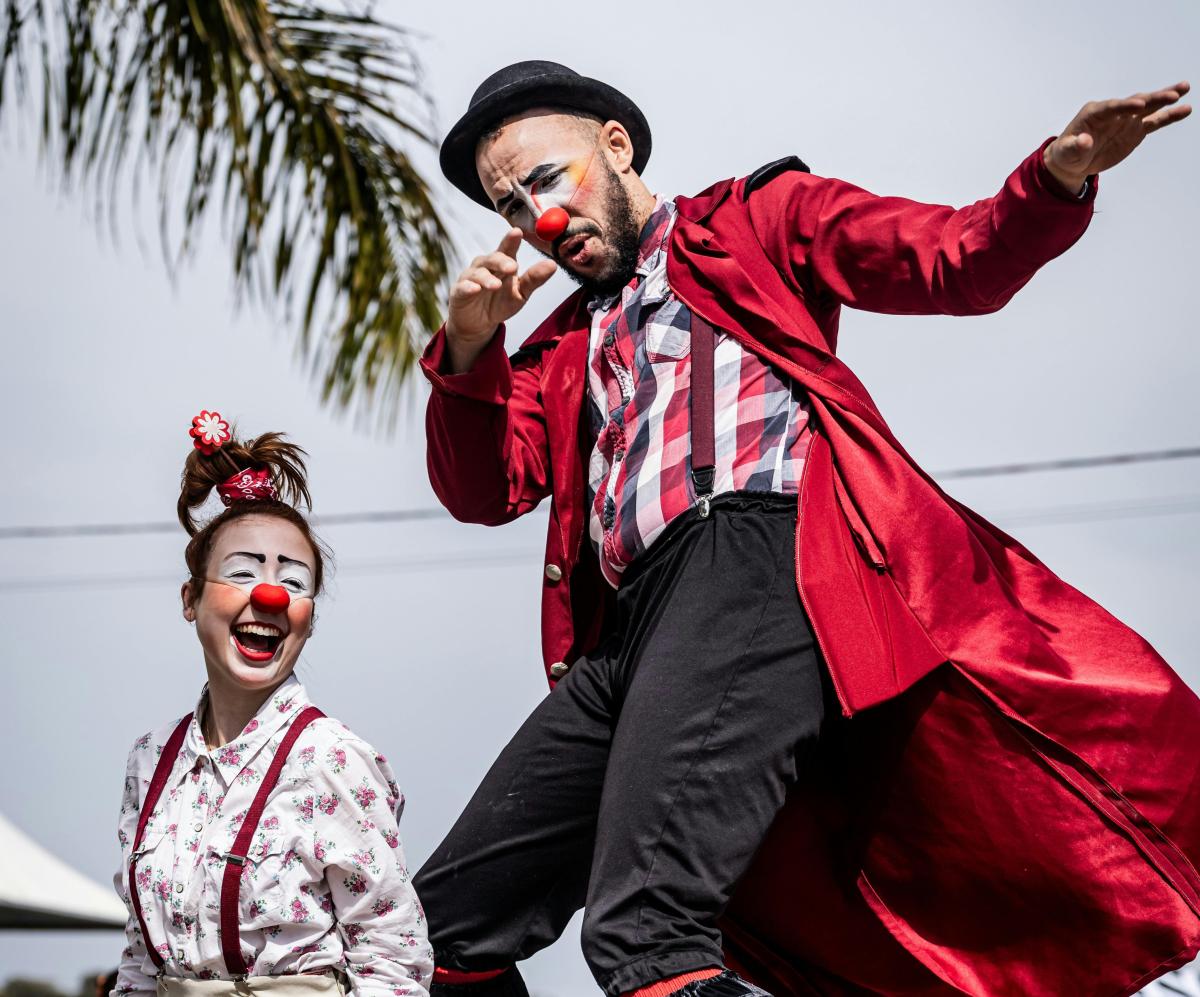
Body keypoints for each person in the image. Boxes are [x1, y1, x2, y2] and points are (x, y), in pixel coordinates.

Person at [415, 61, 1200, 997]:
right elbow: (486, 488)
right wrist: (469, 348)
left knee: (644, 925)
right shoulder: (558, 342)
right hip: (624, 638)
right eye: (511, 206)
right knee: (438, 927)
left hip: (750, 551)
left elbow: (952, 258)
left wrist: (1055, 176)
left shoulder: (758, 217)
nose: (537, 218)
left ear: (615, 147)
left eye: (546, 180)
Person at [111, 412, 432, 996]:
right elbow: (139, 954)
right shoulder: (149, 759)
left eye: (295, 582)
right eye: (242, 573)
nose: (269, 595)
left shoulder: (332, 759)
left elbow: (392, 955)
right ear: (191, 598)